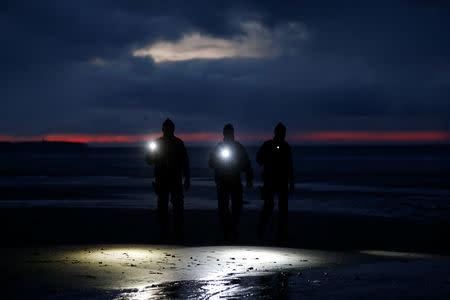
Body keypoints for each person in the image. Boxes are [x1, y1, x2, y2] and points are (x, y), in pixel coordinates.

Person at [145, 118, 190, 240]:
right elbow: (149, 161)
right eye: (166, 128)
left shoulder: (178, 143)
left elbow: (185, 161)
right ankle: (164, 231)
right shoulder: (157, 143)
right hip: (162, 180)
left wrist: (187, 178)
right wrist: (151, 152)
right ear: (163, 129)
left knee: (178, 207)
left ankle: (177, 231)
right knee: (162, 207)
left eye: (169, 128)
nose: (167, 130)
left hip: (175, 179)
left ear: (173, 129)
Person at [209, 124, 253, 240]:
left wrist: (249, 178)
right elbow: (211, 163)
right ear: (224, 133)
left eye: (230, 132)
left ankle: (232, 227)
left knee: (237, 207)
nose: (228, 134)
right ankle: (226, 230)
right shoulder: (219, 148)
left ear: (232, 133)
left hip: (235, 181)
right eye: (226, 132)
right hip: (222, 182)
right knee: (223, 208)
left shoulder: (239, 148)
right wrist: (217, 160)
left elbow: (247, 164)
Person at [257, 122, 294, 240]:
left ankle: (280, 233)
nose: (282, 135)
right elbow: (259, 160)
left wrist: (291, 182)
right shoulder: (268, 145)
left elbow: (289, 166)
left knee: (282, 208)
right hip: (271, 180)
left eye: (283, 133)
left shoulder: (286, 147)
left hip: (281, 181)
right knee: (269, 205)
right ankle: (262, 229)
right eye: (281, 132)